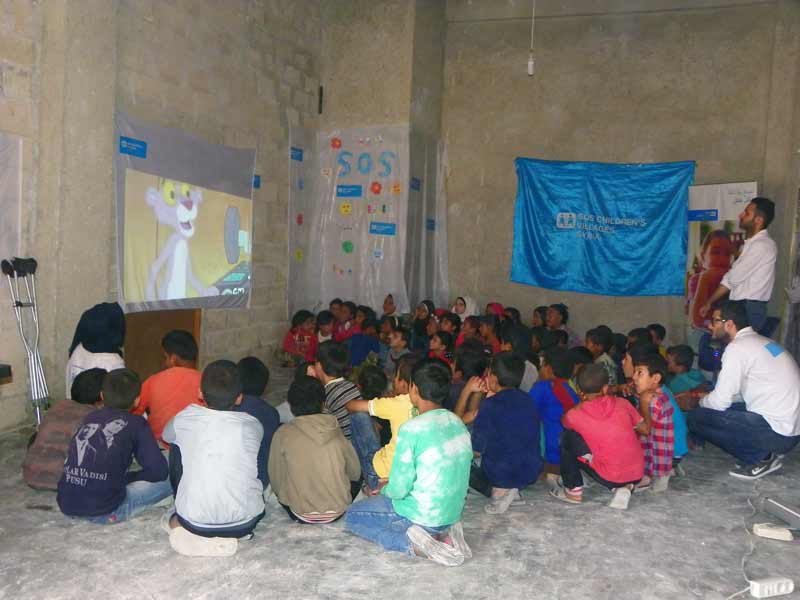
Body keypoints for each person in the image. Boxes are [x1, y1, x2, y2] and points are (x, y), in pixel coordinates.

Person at [345, 359, 473, 567]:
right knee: (390, 499)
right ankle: (441, 535)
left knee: (352, 516)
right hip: (451, 513)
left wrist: (383, 490)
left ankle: (412, 545)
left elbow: (399, 490)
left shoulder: (413, 429)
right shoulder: (457, 422)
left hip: (421, 514)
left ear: (414, 389)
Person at [683, 301, 800, 480]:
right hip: (789, 431)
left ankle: (762, 458)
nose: (710, 326)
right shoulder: (761, 341)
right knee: (716, 407)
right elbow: (740, 394)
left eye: (715, 321)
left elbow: (719, 403)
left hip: (776, 433)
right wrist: (706, 396)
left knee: (697, 417)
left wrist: (697, 401)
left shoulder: (737, 347)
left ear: (729, 324)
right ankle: (767, 450)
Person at [163, 360, 264, 554]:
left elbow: (167, 436)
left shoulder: (186, 417)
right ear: (239, 398)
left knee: (177, 444)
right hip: (245, 522)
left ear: (200, 392)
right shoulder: (252, 424)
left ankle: (183, 529)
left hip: (194, 521)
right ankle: (230, 536)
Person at [57, 368, 170, 523]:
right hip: (106, 510)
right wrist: (130, 477)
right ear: (137, 400)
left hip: (67, 504)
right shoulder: (137, 423)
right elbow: (159, 472)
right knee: (174, 472)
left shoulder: (90, 417)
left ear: (102, 396)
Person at [549, 364, 644, 510]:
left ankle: (573, 489)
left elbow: (564, 422)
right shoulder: (623, 403)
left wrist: (581, 403)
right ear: (605, 388)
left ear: (579, 391)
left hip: (610, 474)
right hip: (637, 473)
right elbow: (642, 427)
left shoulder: (575, 414)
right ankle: (623, 487)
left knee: (567, 437)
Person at [269, 375, 361, 524]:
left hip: (299, 511)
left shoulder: (282, 433)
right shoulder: (334, 428)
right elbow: (355, 472)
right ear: (323, 404)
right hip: (338, 509)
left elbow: (276, 479)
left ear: (291, 406)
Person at [468, 352, 543, 514]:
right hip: (531, 471)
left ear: (493, 379)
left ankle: (498, 491)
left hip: (501, 473)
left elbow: (476, 449)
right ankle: (512, 491)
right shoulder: (529, 400)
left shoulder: (490, 405)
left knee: (464, 466)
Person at [699, 197, 777, 332]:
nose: (741, 215)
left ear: (758, 220)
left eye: (747, 213)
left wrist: (709, 302)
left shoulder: (761, 245)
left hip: (749, 309)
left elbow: (733, 278)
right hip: (743, 306)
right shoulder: (751, 244)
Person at [24, 369, 105, 490]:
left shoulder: (58, 406)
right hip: (67, 482)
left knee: (38, 436)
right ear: (103, 396)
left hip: (31, 476)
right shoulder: (95, 418)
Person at [348, 358, 420, 494]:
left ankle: (372, 485)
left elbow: (352, 406)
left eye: (396, 377)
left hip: (382, 473)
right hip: (411, 475)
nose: (393, 380)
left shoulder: (396, 403)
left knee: (358, 416)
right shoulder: (430, 406)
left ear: (405, 384)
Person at [131, 330, 202, 447]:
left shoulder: (153, 381)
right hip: (194, 447)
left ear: (173, 359)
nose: (164, 362)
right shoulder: (205, 381)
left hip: (160, 446)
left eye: (165, 357)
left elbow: (133, 411)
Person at [529, 347, 579, 472]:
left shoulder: (542, 387)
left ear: (549, 368)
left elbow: (526, 412)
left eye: (542, 364)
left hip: (549, 453)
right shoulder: (573, 392)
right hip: (570, 453)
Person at [235, 357, 280, 490]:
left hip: (231, 481)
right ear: (265, 387)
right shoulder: (271, 413)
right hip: (260, 481)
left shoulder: (229, 408)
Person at [631, 353, 674, 493]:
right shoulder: (655, 394)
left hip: (658, 454)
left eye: (640, 373)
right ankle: (646, 476)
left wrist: (642, 403)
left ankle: (660, 479)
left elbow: (644, 428)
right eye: (634, 372)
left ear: (655, 378)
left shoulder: (653, 400)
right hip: (653, 449)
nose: (634, 377)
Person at [65, 302, 126, 399]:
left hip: (74, 410)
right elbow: (121, 400)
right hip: (99, 413)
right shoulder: (113, 361)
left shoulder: (77, 350)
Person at [347, 365, 389, 494]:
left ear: (359, 386)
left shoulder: (360, 413)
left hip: (375, 471)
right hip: (387, 465)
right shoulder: (391, 406)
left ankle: (371, 484)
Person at [315, 341, 361, 439]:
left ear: (318, 366)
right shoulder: (351, 386)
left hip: (346, 448)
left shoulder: (326, 395)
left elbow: (324, 431)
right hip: (361, 443)